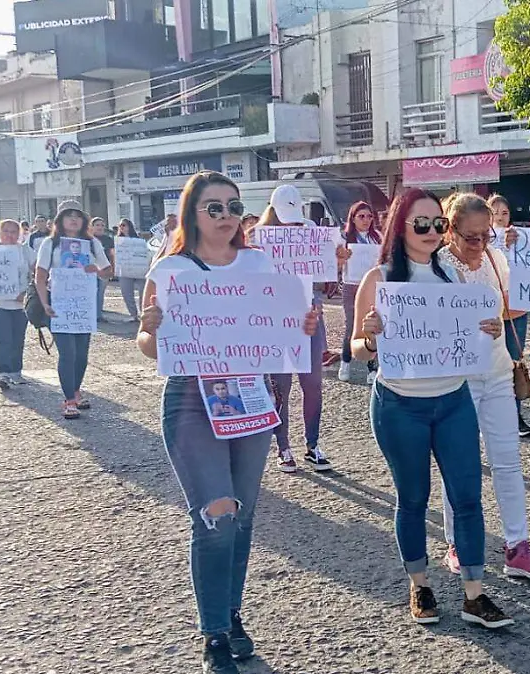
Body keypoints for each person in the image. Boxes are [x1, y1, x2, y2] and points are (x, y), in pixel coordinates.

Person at [137, 170, 320, 673]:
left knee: (241, 517)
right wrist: (147, 330)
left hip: (249, 397)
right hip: (192, 400)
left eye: (233, 207)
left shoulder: (261, 264)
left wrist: (301, 325)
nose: (224, 216)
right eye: (213, 207)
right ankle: (213, 632)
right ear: (190, 213)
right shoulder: (171, 270)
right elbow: (153, 348)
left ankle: (231, 614)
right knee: (216, 514)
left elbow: (283, 326)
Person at [351, 188, 515, 628]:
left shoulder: (452, 275)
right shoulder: (380, 278)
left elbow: (476, 330)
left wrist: (489, 327)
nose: (430, 231)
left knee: (467, 497)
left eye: (437, 224)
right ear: (399, 226)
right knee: (413, 498)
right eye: (420, 223)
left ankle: (474, 595)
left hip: (453, 399)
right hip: (400, 404)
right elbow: (357, 352)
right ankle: (420, 584)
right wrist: (370, 336)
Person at [436, 193, 530, 580]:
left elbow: (509, 307)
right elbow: (426, 326)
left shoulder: (494, 257)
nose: (480, 244)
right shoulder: (437, 267)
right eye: (471, 237)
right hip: (457, 380)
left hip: (499, 372)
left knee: (508, 462)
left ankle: (517, 546)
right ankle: (457, 542)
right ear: (449, 229)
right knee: (460, 465)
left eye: (486, 235)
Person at [259, 185, 333, 472]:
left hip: (309, 316)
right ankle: (283, 446)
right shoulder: (260, 239)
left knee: (313, 383)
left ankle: (312, 444)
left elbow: (323, 275)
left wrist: (336, 261)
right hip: (276, 320)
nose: (292, 222)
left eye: (295, 215)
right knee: (281, 386)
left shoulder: (311, 229)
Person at [34, 200, 113, 419]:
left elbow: (107, 271)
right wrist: (45, 303)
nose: (73, 219)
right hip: (59, 305)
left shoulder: (92, 243)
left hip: (83, 305)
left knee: (81, 356)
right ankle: (68, 399)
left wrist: (96, 270)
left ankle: (76, 391)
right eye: (68, 215)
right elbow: (40, 276)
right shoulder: (50, 244)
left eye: (77, 215)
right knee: (67, 354)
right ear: (59, 220)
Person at [489, 194, 530, 438]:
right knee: (492, 364)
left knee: (514, 361)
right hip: (491, 312)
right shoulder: (481, 241)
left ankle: (515, 415)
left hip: (516, 310)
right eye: (494, 212)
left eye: (504, 213)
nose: (499, 217)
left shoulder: (519, 237)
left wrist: (517, 245)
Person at [0, 220, 35, 389]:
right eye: (6, 231)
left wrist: (26, 293)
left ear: (19, 233)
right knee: (3, 338)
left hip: (19, 303)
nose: (9, 234)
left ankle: (16, 371)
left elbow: (38, 271)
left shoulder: (25, 250)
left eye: (13, 231)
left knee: (18, 338)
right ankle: (3, 372)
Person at [337, 201, 381, 384]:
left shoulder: (377, 237)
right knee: (351, 324)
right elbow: (335, 266)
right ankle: (346, 361)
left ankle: (372, 368)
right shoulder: (344, 238)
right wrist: (341, 257)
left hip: (372, 284)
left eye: (369, 216)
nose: (366, 220)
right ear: (353, 218)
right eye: (361, 216)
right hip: (351, 284)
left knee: (371, 323)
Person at [116, 219, 146, 321]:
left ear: (129, 226)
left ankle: (143, 313)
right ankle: (133, 315)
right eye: (120, 226)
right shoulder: (117, 241)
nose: (122, 227)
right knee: (127, 293)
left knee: (143, 292)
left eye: (124, 225)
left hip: (139, 269)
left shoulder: (138, 240)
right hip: (124, 270)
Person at [91, 218, 116, 322]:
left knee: (100, 293)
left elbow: (112, 255)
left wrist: (113, 269)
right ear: (92, 227)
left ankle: (98, 315)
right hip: (91, 270)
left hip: (104, 269)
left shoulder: (108, 240)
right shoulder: (88, 239)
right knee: (92, 292)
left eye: (102, 225)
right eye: (97, 225)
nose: (100, 227)